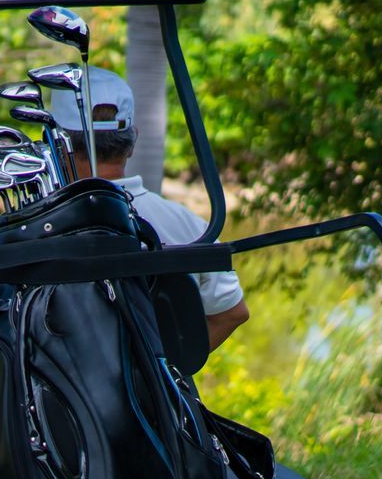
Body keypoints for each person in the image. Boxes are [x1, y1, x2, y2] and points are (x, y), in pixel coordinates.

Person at [50, 66, 250, 350]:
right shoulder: (188, 225)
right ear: (131, 143)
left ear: (60, 147)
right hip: (149, 393)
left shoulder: (34, 229)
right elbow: (232, 312)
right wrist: (163, 377)